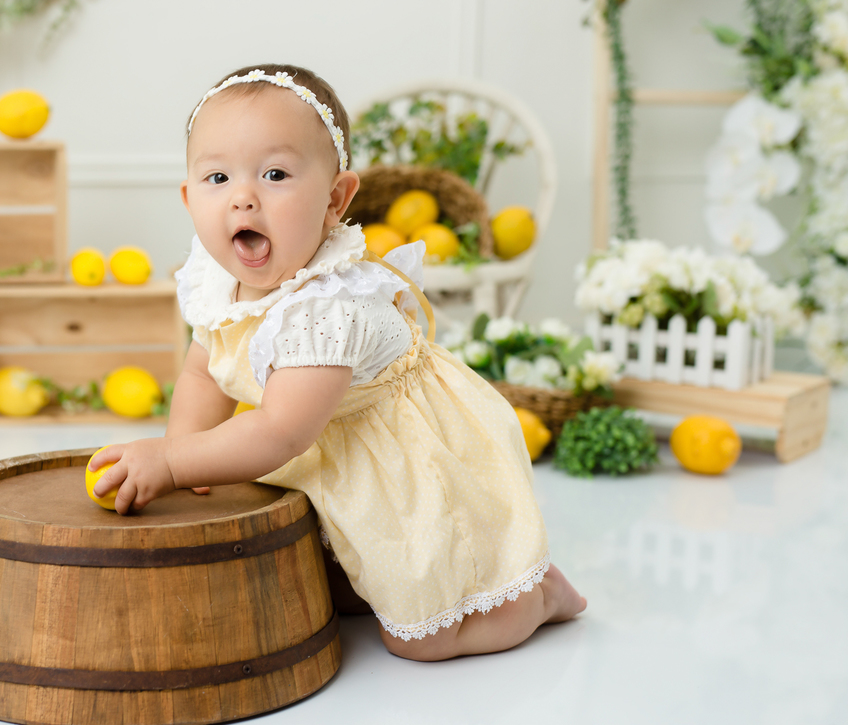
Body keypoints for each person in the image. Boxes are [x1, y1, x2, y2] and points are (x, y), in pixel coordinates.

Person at [89, 63, 585, 661]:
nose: (243, 195)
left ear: (335, 199)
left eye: (275, 174)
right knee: (334, 576)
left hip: (400, 454)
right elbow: (203, 370)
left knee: (423, 638)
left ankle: (531, 599)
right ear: (191, 199)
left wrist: (169, 461)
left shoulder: (329, 306)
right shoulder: (215, 283)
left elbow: (281, 431)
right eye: (218, 177)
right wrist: (190, 455)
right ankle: (368, 571)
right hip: (327, 453)